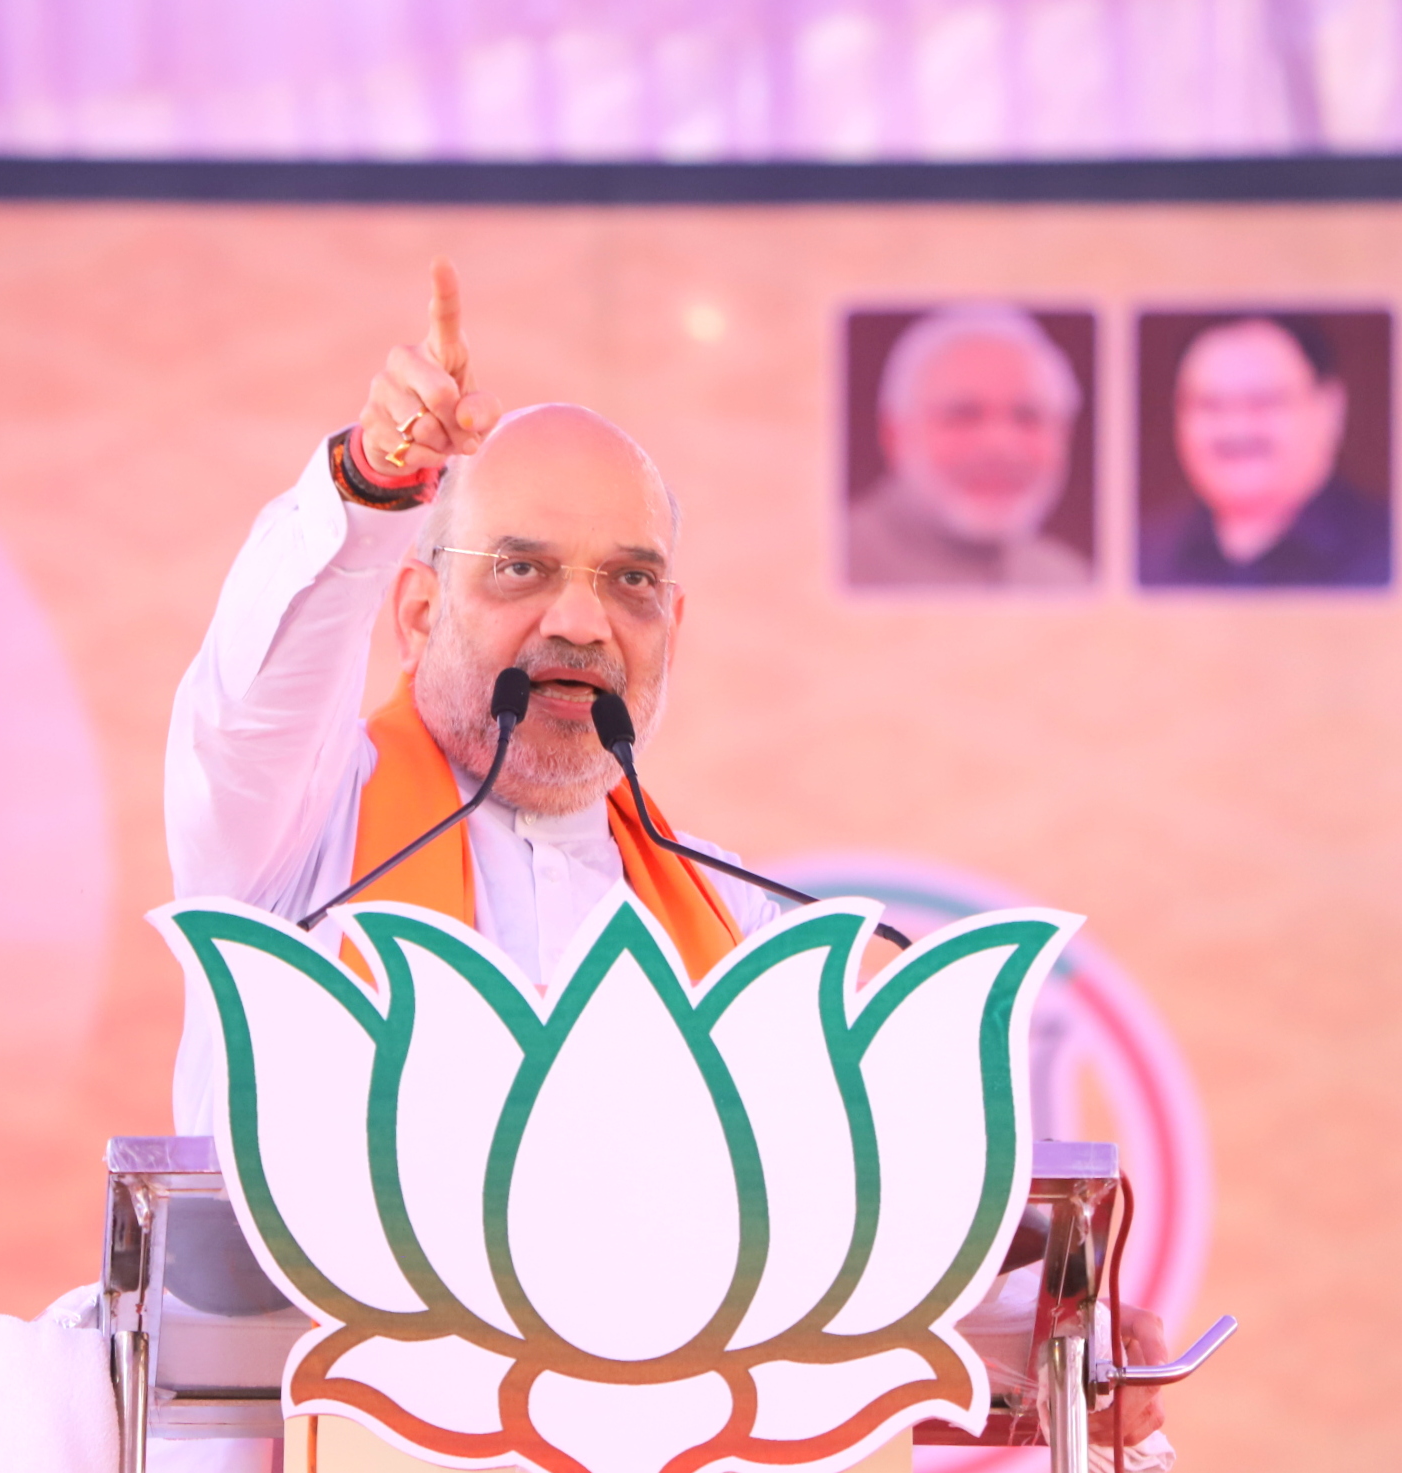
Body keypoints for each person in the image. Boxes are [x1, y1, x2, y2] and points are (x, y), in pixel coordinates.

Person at [166, 261, 1167, 1467]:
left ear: (671, 633)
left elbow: (823, 1255)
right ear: (419, 611)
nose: (582, 623)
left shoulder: (732, 927)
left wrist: (1053, 1336)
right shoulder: (297, 833)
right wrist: (372, 488)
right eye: (522, 569)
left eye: (629, 582)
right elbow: (249, 708)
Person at [846, 305, 1091, 589]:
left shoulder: (1066, 581)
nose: (999, 446)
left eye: (1028, 417)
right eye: (963, 415)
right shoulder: (826, 563)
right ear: (895, 436)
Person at [1140, 314, 1390, 588]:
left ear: (1331, 409)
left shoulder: (1389, 554)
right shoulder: (1142, 560)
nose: (1236, 429)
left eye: (1264, 402)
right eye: (1210, 405)